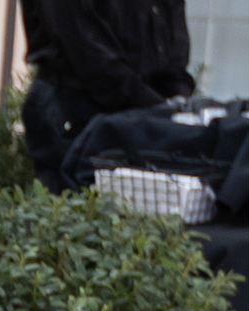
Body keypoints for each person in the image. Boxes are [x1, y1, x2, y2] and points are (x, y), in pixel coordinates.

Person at [20, 0, 194, 192]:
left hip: (139, 106)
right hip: (74, 102)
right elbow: (85, 50)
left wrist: (176, 100)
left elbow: (173, 39)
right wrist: (157, 109)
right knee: (77, 208)